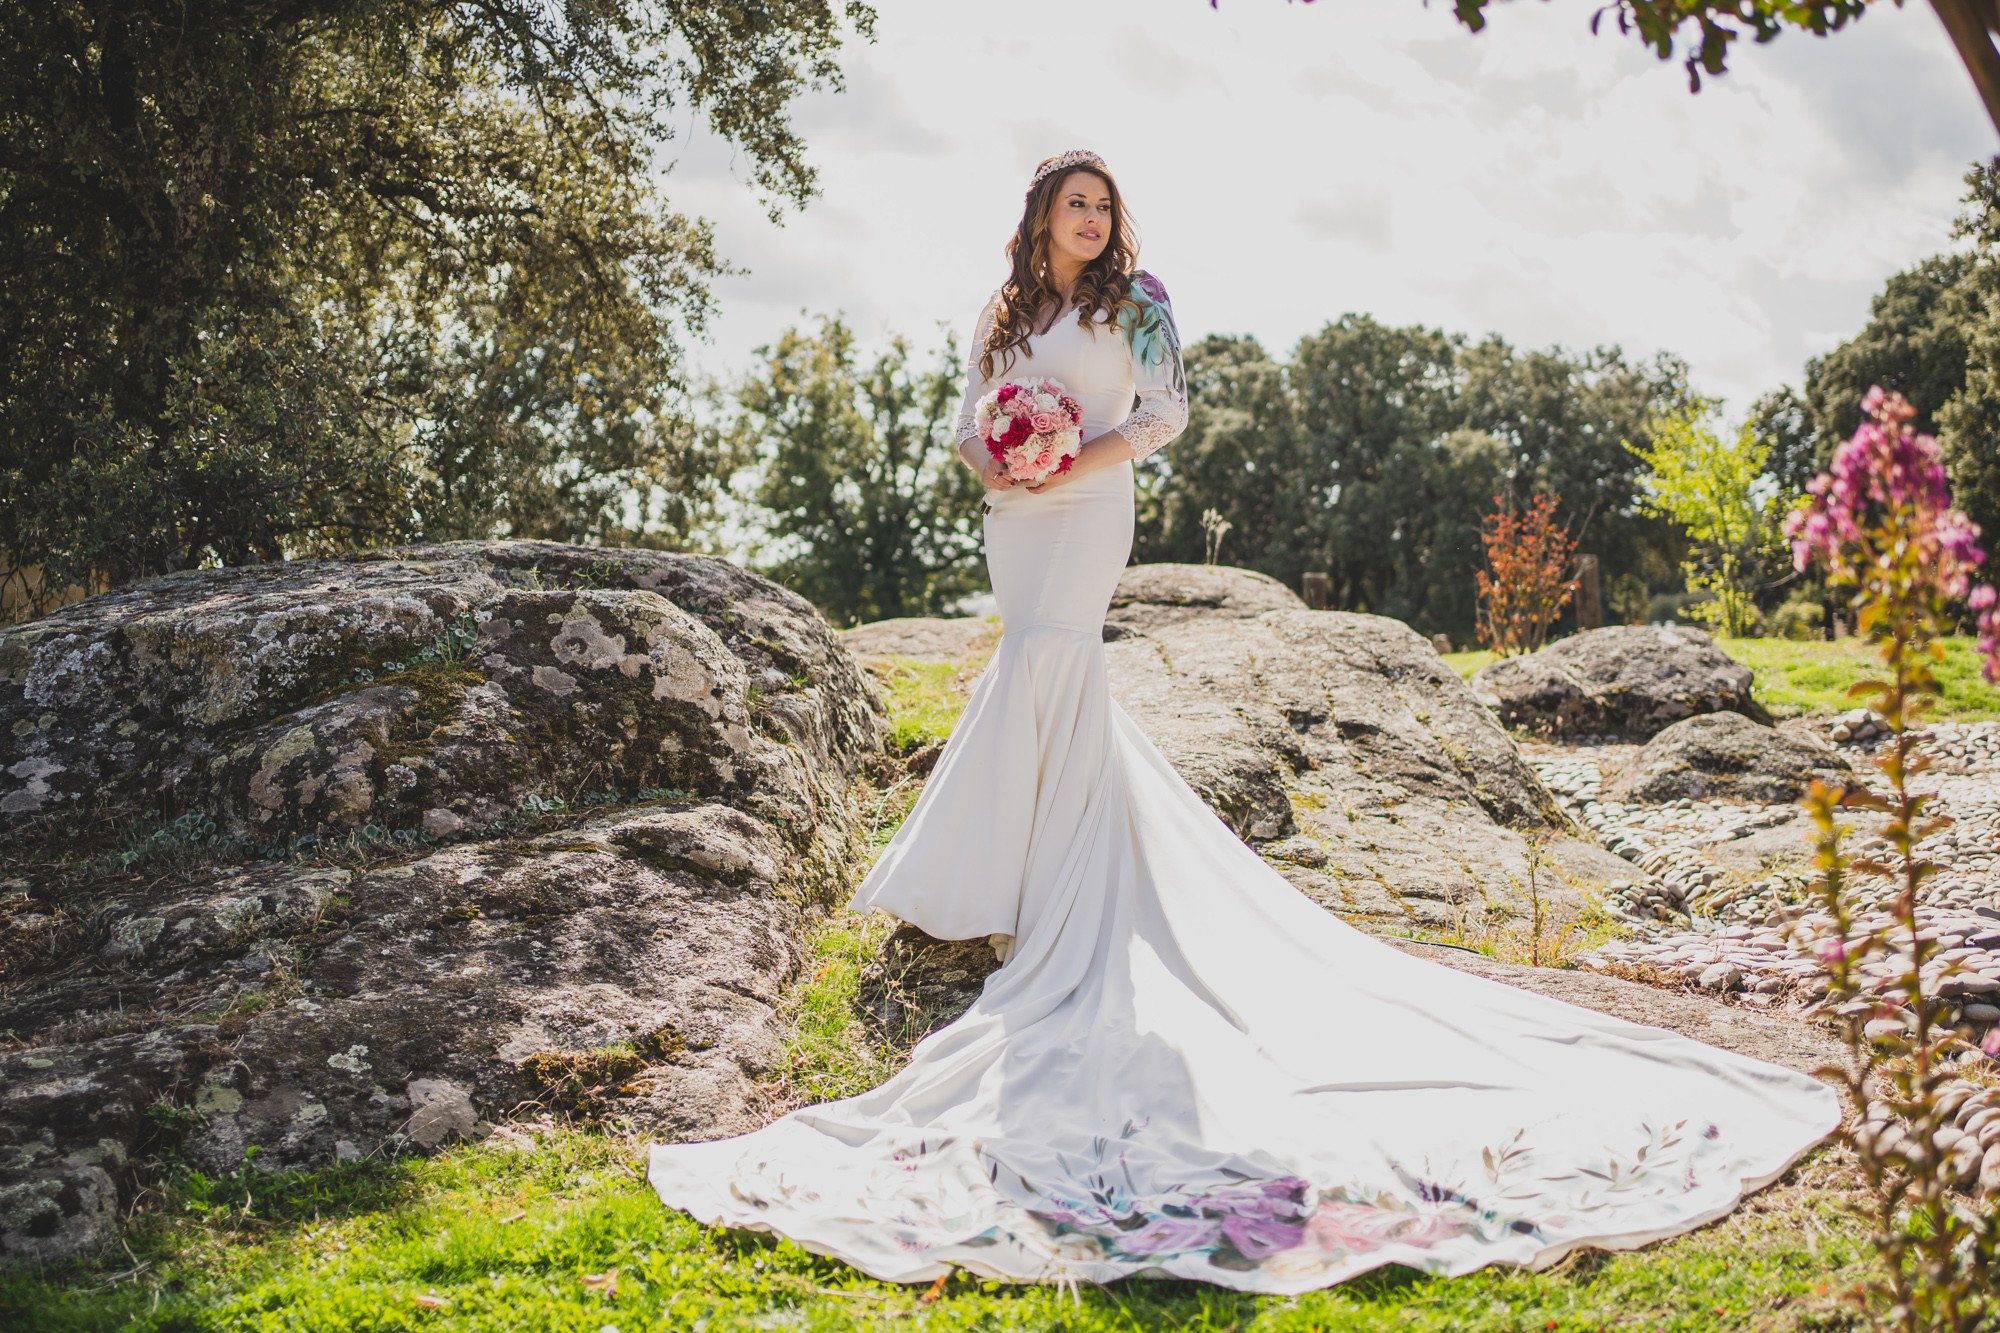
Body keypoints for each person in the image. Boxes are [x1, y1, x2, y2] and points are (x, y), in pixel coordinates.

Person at [645, 149, 1841, 1293]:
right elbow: (968, 416)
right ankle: (1011, 877)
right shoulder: (1002, 305)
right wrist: (998, 461)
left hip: (1090, 505)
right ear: (1038, 215)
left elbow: (1163, 415)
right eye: (1074, 203)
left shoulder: (1144, 304)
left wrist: (1068, 456)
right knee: (1029, 658)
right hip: (1016, 520)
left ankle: (1034, 890)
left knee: (1054, 658)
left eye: (1102, 206)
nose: (1091, 222)